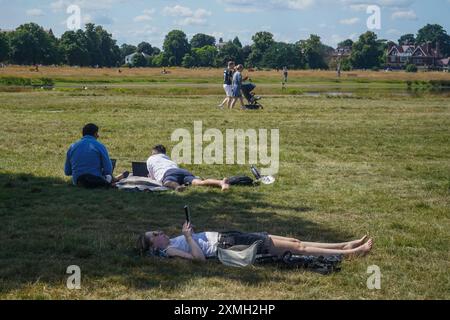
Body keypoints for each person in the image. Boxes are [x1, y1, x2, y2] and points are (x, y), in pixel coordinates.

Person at [137, 221, 374, 261]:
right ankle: (351, 253)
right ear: (154, 246)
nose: (158, 233)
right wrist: (189, 237)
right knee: (296, 248)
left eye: (155, 231)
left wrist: (191, 235)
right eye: (154, 236)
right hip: (226, 245)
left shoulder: (169, 243)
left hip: (226, 236)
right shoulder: (169, 251)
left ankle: (344, 245)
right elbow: (199, 259)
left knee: (294, 240)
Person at [64, 123, 128, 188]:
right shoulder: (99, 146)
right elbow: (108, 170)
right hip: (95, 181)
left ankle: (115, 179)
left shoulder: (72, 147)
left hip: (77, 182)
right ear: (95, 134)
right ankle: (116, 179)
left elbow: (67, 172)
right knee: (108, 176)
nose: (98, 136)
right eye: (97, 133)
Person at [146, 145, 230, 192]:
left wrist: (150, 177)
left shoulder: (150, 159)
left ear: (153, 152)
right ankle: (221, 182)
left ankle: (177, 187)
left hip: (168, 173)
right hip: (182, 171)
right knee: (199, 182)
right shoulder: (167, 158)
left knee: (168, 182)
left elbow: (153, 177)